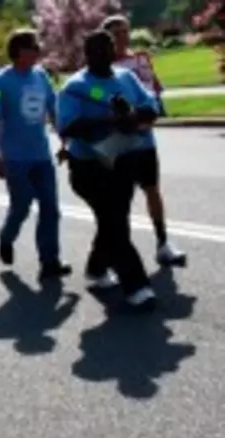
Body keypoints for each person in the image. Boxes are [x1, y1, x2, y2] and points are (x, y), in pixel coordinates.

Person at [56, 29, 157, 311]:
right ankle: (137, 287)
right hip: (89, 167)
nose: (104, 54)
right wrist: (109, 120)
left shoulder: (127, 78)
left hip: (123, 160)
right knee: (114, 220)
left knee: (113, 220)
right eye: (97, 50)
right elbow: (67, 126)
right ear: (86, 54)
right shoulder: (75, 86)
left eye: (108, 48)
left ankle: (97, 269)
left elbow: (151, 106)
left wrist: (134, 117)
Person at [0, 29, 72, 280]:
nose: (38, 51)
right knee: (21, 207)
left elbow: (53, 110)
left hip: (41, 156)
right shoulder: (0, 83)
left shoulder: (41, 76)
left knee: (51, 209)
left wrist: (63, 139)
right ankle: (6, 236)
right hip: (14, 158)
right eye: (32, 47)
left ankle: (50, 261)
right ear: (18, 52)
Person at [102, 14, 187, 268]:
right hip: (116, 142)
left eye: (125, 31)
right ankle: (113, 253)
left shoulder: (140, 59)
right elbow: (96, 97)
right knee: (118, 199)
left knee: (152, 189)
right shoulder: (99, 66)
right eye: (116, 32)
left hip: (144, 138)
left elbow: (153, 91)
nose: (122, 37)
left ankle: (163, 243)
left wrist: (151, 113)